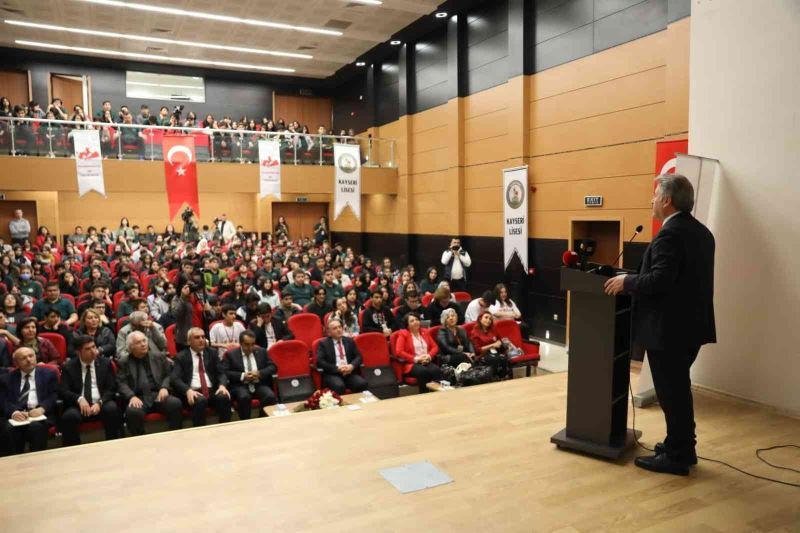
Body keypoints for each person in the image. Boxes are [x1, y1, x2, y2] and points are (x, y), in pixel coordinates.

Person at [604, 174, 716, 476]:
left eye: (655, 195)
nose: (651, 200)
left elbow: (660, 280)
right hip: (692, 327)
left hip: (669, 329)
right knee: (677, 389)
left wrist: (627, 282)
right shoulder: (703, 233)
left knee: (672, 392)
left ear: (667, 200)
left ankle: (678, 456)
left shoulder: (670, 234)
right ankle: (680, 446)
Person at [116, 330, 183, 436]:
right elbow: (121, 382)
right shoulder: (124, 362)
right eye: (138, 342)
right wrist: (131, 396)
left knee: (175, 403)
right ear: (131, 347)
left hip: (158, 394)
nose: (143, 344)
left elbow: (169, 374)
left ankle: (176, 436)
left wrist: (164, 387)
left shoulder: (158, 357)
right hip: (138, 397)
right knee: (133, 412)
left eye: (144, 341)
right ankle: (140, 441)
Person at [58, 335, 121, 446]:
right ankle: (73, 451)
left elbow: (111, 388)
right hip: (78, 406)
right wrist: (79, 399)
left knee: (112, 409)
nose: (93, 351)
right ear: (78, 352)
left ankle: (114, 445)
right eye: (88, 349)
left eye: (94, 347)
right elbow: (64, 391)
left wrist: (100, 402)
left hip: (101, 403)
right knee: (69, 417)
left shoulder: (105, 363)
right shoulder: (68, 367)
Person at [171, 328, 232, 427]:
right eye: (197, 337)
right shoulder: (181, 356)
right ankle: (200, 431)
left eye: (203, 337)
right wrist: (187, 390)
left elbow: (221, 372)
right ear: (189, 341)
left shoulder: (212, 353)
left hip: (211, 390)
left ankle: (225, 429)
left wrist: (222, 385)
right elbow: (175, 378)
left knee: (224, 397)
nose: (201, 340)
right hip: (193, 392)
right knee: (200, 400)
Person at [1, 347, 58, 454]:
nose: (28, 360)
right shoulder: (7, 379)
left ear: (35, 357)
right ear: (16, 363)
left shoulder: (48, 374)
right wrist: (14, 412)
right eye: (23, 358)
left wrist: (42, 408)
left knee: (36, 427)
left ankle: (37, 460)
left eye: (31, 356)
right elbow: (4, 400)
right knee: (8, 429)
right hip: (16, 416)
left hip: (39, 415)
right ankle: (12, 461)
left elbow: (53, 395)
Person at [223, 330, 277, 419]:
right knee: (244, 397)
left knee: (270, 396)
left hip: (258, 384)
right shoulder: (231, 354)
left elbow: (273, 367)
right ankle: (245, 422)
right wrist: (243, 376)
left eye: (252, 344)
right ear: (241, 343)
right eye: (247, 345)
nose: (250, 347)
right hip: (240, 385)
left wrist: (259, 373)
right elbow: (225, 372)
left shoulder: (262, 351)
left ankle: (262, 420)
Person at [315, 317, 367, 395]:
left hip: (349, 372)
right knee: (339, 386)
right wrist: (337, 368)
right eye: (335, 328)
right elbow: (320, 362)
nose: (338, 330)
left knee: (361, 383)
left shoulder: (349, 341)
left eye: (340, 327)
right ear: (329, 332)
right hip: (333, 373)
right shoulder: (323, 344)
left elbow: (358, 357)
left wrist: (352, 366)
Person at [394, 313, 443, 393]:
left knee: (436, 370)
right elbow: (399, 352)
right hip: (412, 363)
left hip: (426, 360)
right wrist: (416, 359)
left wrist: (428, 356)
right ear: (407, 325)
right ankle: (424, 395)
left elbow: (435, 347)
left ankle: (437, 394)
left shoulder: (424, 331)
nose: (415, 322)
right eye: (412, 321)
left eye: (417, 320)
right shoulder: (403, 334)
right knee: (423, 372)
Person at [469, 311, 511, 380]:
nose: (488, 320)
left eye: (490, 319)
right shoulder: (475, 332)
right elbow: (477, 350)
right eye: (486, 317)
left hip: (496, 352)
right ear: (480, 319)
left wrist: (500, 342)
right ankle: (496, 378)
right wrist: (492, 345)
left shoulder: (493, 329)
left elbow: (499, 340)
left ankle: (504, 379)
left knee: (503, 357)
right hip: (483, 355)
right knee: (497, 359)